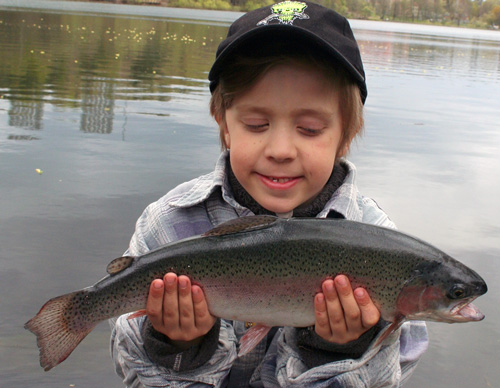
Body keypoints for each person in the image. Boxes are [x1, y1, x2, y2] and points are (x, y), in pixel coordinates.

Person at [110, 2, 428, 387]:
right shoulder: (168, 224)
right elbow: (131, 372)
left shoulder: (381, 241)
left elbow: (393, 375)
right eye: (257, 124)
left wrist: (338, 350)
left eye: (309, 129)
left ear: (344, 136)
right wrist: (177, 347)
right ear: (224, 125)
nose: (280, 149)